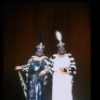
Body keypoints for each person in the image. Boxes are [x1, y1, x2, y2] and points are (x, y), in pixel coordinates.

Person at [15, 32, 51, 100]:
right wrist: (21, 67)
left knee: (39, 97)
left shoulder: (45, 59)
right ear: (36, 50)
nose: (40, 50)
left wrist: (45, 71)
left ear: (43, 51)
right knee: (30, 97)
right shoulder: (32, 58)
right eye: (38, 49)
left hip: (40, 82)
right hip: (31, 82)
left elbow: (49, 68)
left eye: (41, 49)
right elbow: (28, 67)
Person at [48, 31, 77, 100]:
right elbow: (48, 68)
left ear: (65, 48)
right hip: (56, 80)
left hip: (66, 80)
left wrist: (65, 69)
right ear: (58, 49)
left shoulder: (69, 56)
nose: (62, 49)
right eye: (60, 48)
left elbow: (74, 68)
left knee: (66, 96)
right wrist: (52, 76)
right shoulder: (53, 57)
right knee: (56, 97)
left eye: (63, 47)